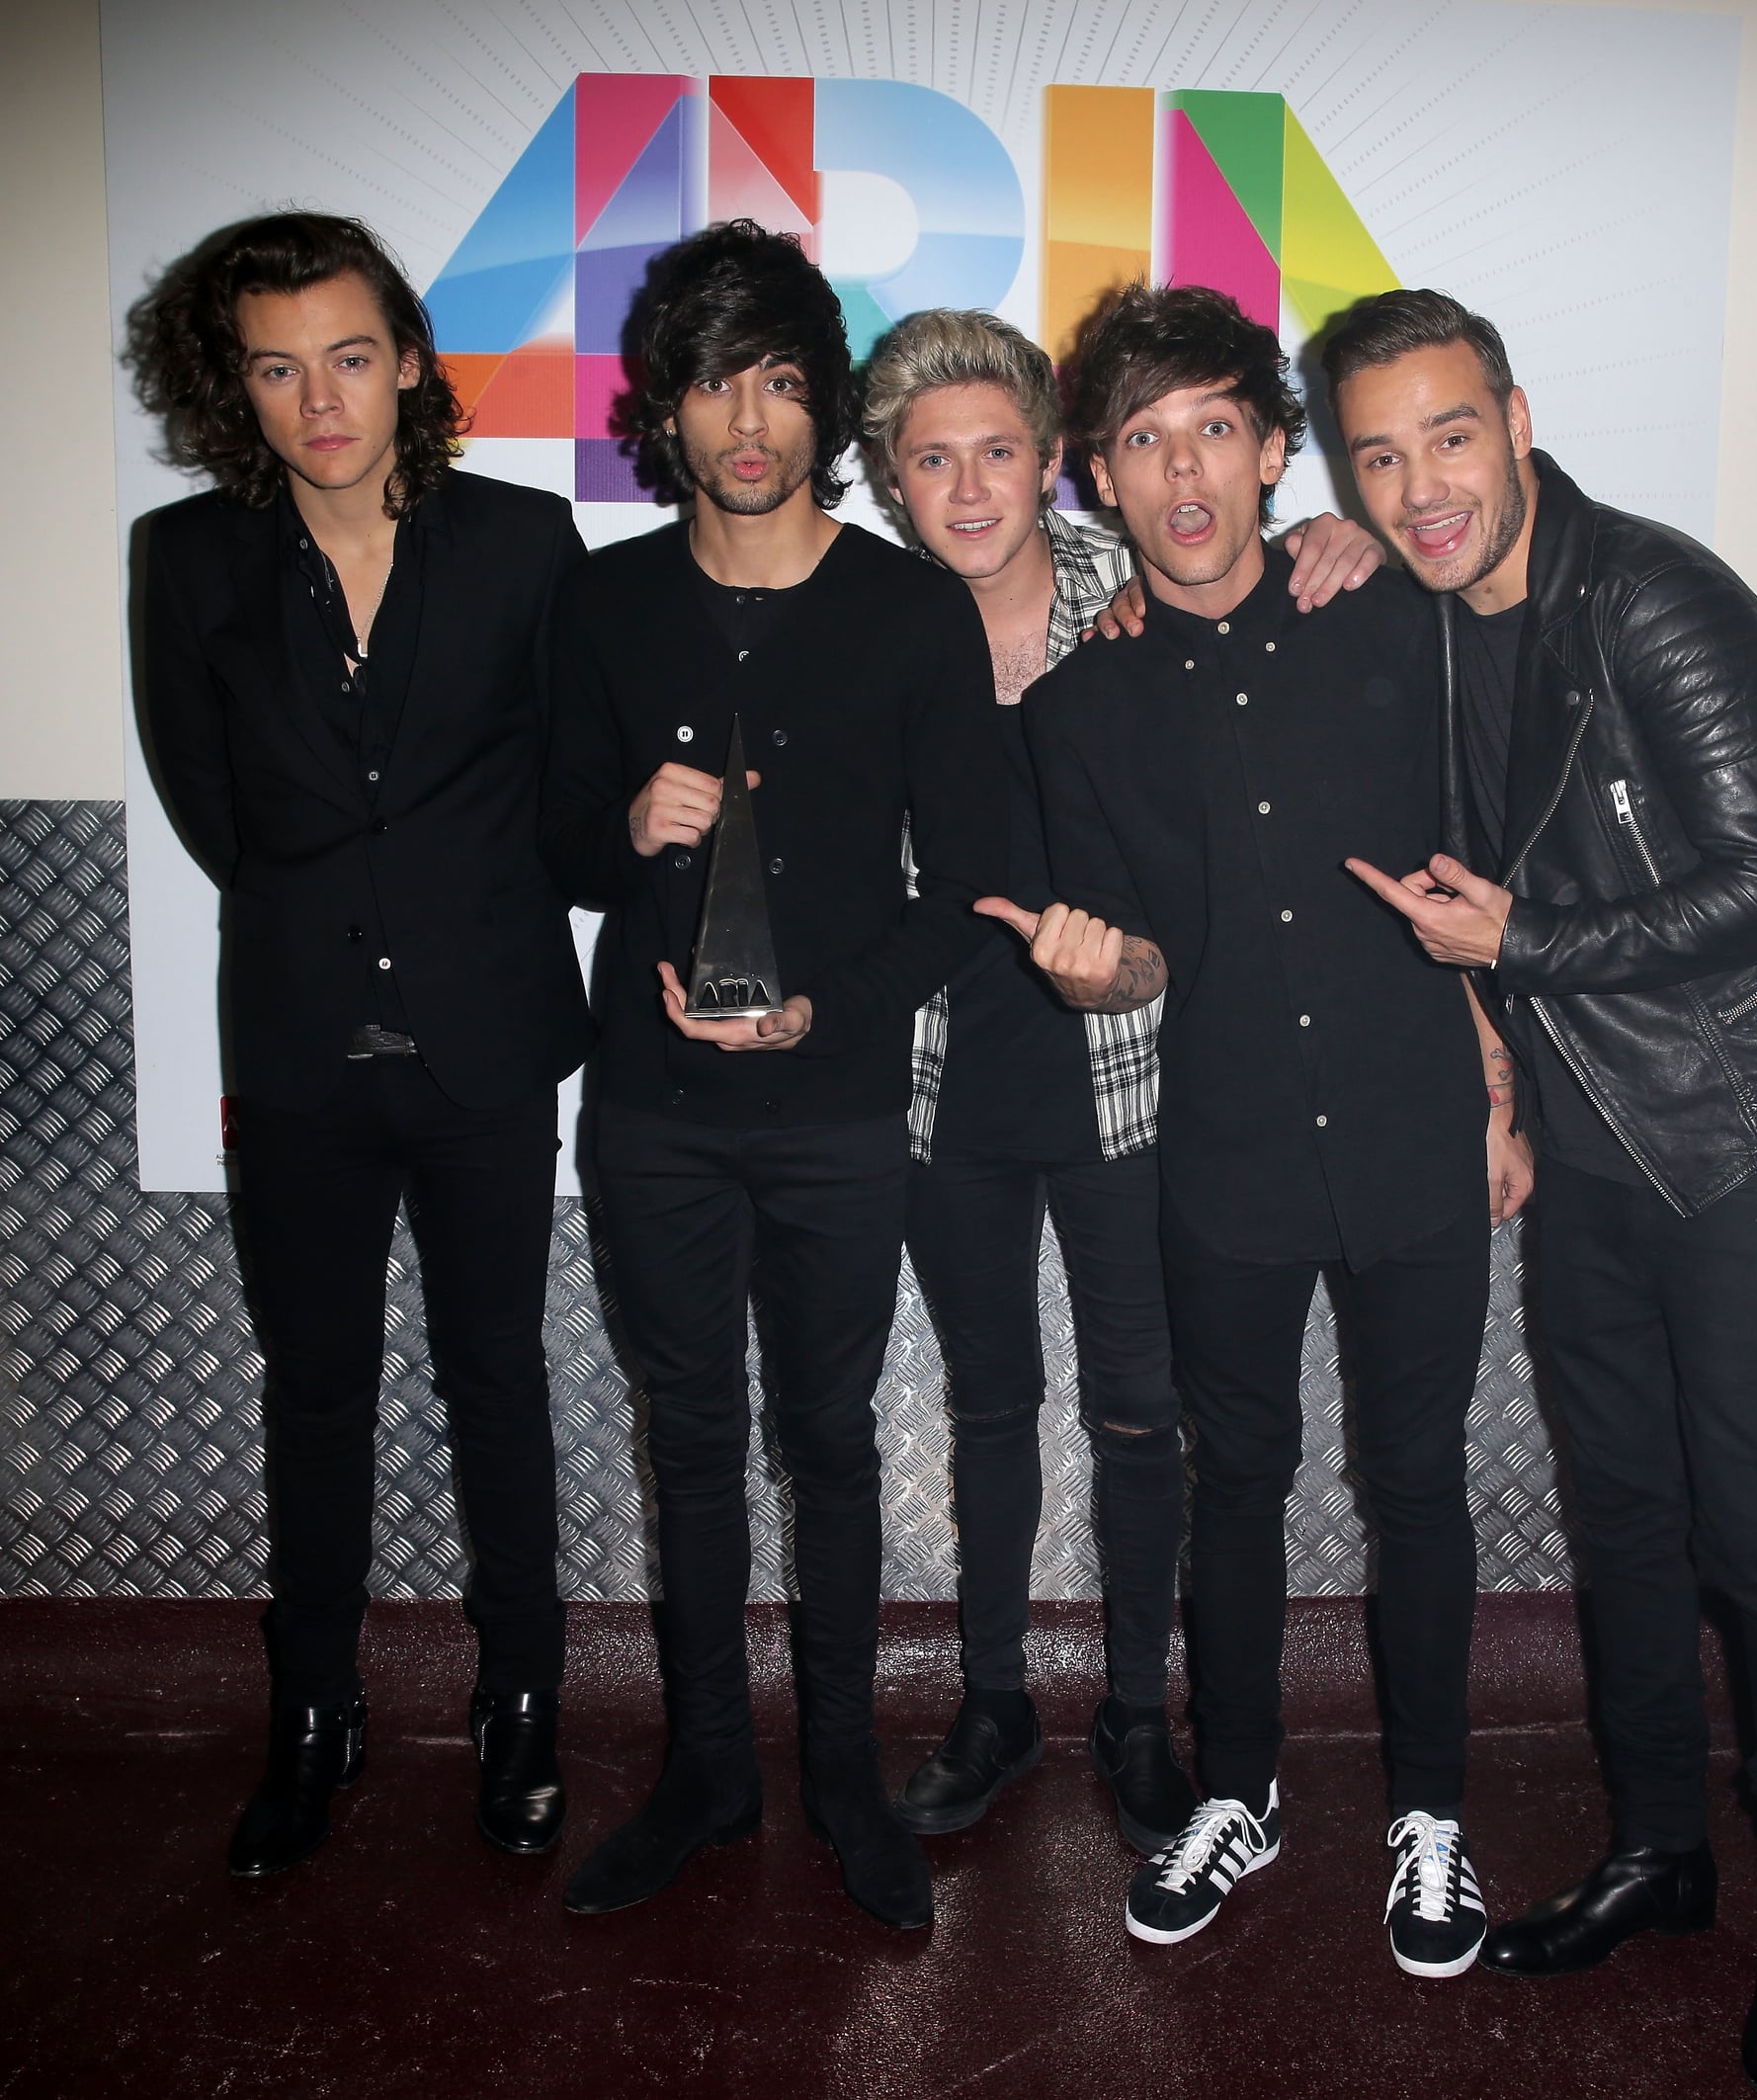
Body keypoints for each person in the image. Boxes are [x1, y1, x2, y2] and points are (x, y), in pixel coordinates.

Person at [1330, 289, 1757, 2097]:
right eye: (1380, 455)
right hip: (1586, 1141)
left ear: (1520, 418)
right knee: (1626, 1520)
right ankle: (1663, 1846)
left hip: (1740, 1140)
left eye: (1449, 438)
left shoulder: (1660, 597)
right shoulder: (1427, 611)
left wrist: (1533, 946)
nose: (1421, 487)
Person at [997, 284, 1529, 1967]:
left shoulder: (1390, 619)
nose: (1183, 474)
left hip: (1412, 1128)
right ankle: (1242, 1787)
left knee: (1417, 1476)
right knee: (1240, 1480)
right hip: (1218, 1151)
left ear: (1276, 447)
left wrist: (1503, 1090)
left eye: (1214, 426)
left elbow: (1484, 872)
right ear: (1100, 475)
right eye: (1142, 442)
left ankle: (1432, 1817)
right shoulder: (1081, 709)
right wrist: (1096, 975)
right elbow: (1140, 950)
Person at [858, 310, 1385, 1857]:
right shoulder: (874, 625)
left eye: (998, 452)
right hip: (940, 1079)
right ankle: (997, 1698)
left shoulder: (1131, 590)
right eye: (931, 459)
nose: (968, 488)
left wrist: (1342, 539)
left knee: (1146, 1412)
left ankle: (1142, 1717)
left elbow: (1262, 583)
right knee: (990, 1403)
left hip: (1131, 1070)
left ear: (1053, 466)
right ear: (892, 480)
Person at [541, 222, 1006, 1933]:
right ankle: (707, 1775)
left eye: (784, 379)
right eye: (712, 379)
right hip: (653, 1112)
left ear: (825, 408)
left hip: (830, 1114)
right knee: (688, 1450)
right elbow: (543, 834)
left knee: (828, 1442)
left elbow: (968, 884)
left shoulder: (907, 609)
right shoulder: (601, 599)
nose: (748, 418)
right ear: (662, 406)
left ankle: (841, 1783)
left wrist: (831, 1016)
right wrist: (622, 825)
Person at [129, 211, 591, 1876]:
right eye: (274, 366)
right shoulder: (186, 562)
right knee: (314, 1392)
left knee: (498, 1387)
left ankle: (521, 1702)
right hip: (302, 1047)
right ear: (231, 388)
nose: (318, 398)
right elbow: (214, 812)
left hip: (488, 1047)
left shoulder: (529, 543)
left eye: (346, 354)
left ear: (405, 359)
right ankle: (312, 1716)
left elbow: (559, 790)